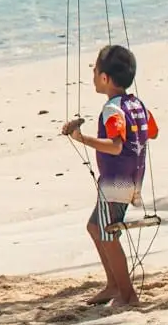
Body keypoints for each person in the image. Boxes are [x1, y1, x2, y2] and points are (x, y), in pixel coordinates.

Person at [60, 43, 158, 307]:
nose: (92, 73)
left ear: (104, 78)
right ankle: (113, 285)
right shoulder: (137, 104)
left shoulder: (112, 109)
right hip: (133, 178)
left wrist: (81, 138)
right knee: (95, 227)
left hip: (117, 182)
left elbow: (115, 146)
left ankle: (128, 296)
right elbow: (152, 131)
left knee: (107, 234)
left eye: (94, 69)